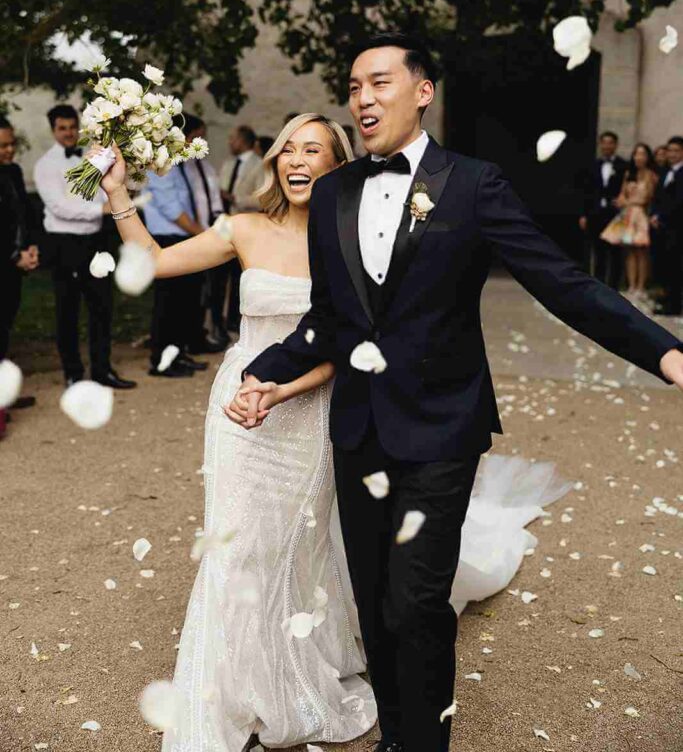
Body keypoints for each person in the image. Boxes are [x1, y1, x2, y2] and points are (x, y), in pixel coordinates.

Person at [231, 33, 683, 752]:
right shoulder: (333, 195)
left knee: (415, 599)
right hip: (357, 428)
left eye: (378, 82)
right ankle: (395, 736)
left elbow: (560, 283)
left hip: (441, 426)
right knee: (377, 605)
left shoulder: (473, 183)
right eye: (352, 87)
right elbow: (328, 320)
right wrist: (267, 376)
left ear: (420, 91)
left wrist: (663, 353)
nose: (363, 98)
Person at [94, 113, 571, 752]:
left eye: (312, 148)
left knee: (303, 546)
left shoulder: (349, 237)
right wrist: (118, 193)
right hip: (241, 405)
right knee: (236, 547)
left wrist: (283, 388)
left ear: (336, 163)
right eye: (287, 147)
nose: (295, 158)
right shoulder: (242, 229)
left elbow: (345, 340)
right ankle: (231, 693)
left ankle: (297, 671)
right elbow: (151, 262)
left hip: (314, 403)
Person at [33, 105, 135, 390]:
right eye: (62, 128)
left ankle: (103, 370)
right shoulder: (45, 165)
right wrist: (101, 210)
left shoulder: (92, 157)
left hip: (95, 241)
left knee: (102, 306)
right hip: (65, 244)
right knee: (68, 311)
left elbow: (105, 188)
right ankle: (73, 373)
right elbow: (59, 207)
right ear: (53, 130)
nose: (68, 133)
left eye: (72, 127)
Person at [144, 160, 208, 375]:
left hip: (181, 237)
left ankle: (178, 354)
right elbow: (170, 207)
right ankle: (161, 360)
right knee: (167, 302)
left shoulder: (176, 165)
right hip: (166, 238)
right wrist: (202, 233)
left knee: (182, 302)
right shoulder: (157, 165)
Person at [0, 116, 39, 417]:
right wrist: (14, 255)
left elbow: (24, 215)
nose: (9, 150)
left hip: (13, 267)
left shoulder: (13, 171)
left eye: (12, 144)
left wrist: (31, 247)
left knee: (5, 327)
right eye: (2, 146)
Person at [182, 115, 227, 351]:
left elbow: (214, 196)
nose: (202, 141)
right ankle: (192, 335)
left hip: (216, 224)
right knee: (198, 286)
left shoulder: (206, 166)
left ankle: (211, 329)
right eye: (198, 136)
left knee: (216, 283)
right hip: (197, 229)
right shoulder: (183, 168)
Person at [219, 126, 265, 333]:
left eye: (232, 138)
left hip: (246, 226)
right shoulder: (228, 164)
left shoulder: (260, 165)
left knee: (241, 277)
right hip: (222, 225)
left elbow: (262, 199)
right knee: (218, 278)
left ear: (243, 140)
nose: (229, 142)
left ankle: (237, 320)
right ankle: (219, 322)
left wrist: (236, 199)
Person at [600, 143, 659, 303]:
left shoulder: (651, 175)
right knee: (629, 251)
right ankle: (631, 286)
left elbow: (653, 198)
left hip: (642, 214)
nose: (639, 157)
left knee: (642, 251)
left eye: (642, 154)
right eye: (636, 154)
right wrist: (622, 201)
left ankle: (641, 287)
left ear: (647, 157)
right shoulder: (628, 174)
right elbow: (621, 195)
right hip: (627, 213)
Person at [578, 130, 628, 289]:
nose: (607, 146)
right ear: (600, 145)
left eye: (610, 143)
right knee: (597, 251)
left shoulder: (623, 165)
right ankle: (598, 285)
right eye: (604, 143)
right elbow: (586, 191)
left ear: (615, 145)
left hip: (615, 215)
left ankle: (614, 286)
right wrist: (583, 214)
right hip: (595, 213)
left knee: (615, 253)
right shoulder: (593, 165)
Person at [650, 135, 683, 316]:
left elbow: (679, 201)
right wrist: (654, 214)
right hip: (661, 226)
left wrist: (662, 216)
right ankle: (666, 298)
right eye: (670, 150)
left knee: (675, 266)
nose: (672, 154)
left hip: (677, 227)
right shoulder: (664, 172)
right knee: (663, 264)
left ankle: (674, 305)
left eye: (677, 151)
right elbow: (657, 197)